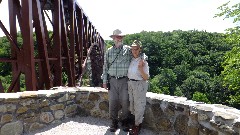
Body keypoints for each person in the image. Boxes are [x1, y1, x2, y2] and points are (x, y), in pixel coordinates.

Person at [102, 29, 132, 132]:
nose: (119, 38)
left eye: (121, 37)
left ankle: (125, 121)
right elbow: (105, 67)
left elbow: (138, 54)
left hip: (124, 80)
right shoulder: (109, 51)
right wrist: (104, 81)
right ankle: (113, 122)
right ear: (113, 38)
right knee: (113, 102)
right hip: (112, 80)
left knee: (125, 101)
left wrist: (143, 59)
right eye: (117, 37)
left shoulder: (128, 50)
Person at [128, 40, 149, 135]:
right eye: (132, 49)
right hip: (131, 83)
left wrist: (140, 68)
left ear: (139, 49)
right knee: (132, 104)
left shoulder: (143, 62)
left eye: (136, 49)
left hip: (139, 84)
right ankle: (134, 124)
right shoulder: (131, 60)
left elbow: (146, 77)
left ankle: (137, 126)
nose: (134, 51)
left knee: (139, 106)